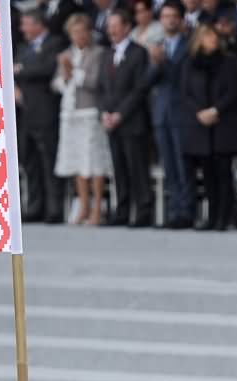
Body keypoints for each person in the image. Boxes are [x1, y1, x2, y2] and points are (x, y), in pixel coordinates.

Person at [181, 22, 237, 230]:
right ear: (199, 39)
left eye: (214, 36)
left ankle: (223, 218)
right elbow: (185, 93)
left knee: (223, 173)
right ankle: (212, 215)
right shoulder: (190, 63)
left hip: (223, 124)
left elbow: (233, 91)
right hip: (200, 126)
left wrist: (215, 110)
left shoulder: (228, 62)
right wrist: (199, 112)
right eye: (208, 36)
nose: (213, 39)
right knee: (207, 175)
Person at [52, 13, 109, 225]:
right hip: (70, 113)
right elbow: (56, 83)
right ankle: (83, 205)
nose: (78, 36)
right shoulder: (66, 53)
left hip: (90, 112)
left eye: (81, 31)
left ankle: (97, 208)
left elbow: (95, 81)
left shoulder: (98, 53)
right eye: (74, 32)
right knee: (77, 160)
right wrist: (64, 75)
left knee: (93, 162)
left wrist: (73, 70)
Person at [101, 8, 152, 226]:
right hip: (112, 121)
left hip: (132, 120)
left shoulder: (138, 53)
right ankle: (122, 211)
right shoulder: (107, 53)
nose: (111, 30)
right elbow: (103, 88)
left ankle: (142, 211)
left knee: (137, 168)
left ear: (127, 27)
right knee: (119, 167)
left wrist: (120, 113)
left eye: (116, 25)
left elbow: (139, 89)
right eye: (109, 26)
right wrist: (105, 112)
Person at [16, 8, 67, 224]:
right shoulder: (22, 47)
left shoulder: (54, 43)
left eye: (26, 24)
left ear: (39, 25)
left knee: (48, 160)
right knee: (30, 162)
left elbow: (47, 68)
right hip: (25, 112)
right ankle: (35, 206)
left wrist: (20, 70)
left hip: (46, 112)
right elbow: (11, 70)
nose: (23, 29)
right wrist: (15, 82)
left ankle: (54, 209)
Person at [148, 3, 192, 228]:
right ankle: (175, 211)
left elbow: (181, 79)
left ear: (182, 20)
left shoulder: (189, 45)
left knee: (183, 165)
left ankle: (186, 212)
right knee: (169, 166)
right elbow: (146, 81)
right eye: (166, 16)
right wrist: (155, 63)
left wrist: (162, 61)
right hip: (161, 113)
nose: (170, 20)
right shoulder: (157, 46)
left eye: (174, 16)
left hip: (182, 112)